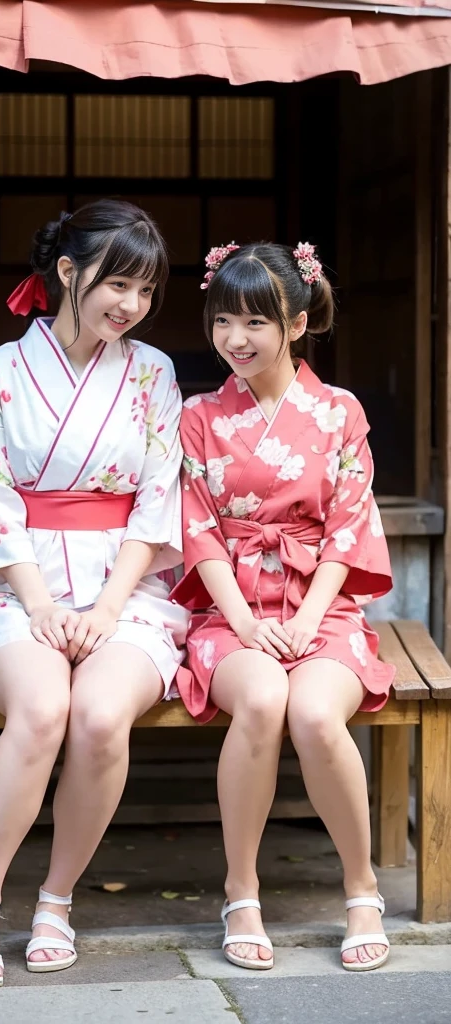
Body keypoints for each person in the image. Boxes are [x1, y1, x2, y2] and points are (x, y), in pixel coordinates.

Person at [0, 199, 188, 987]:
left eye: (146, 292)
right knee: (42, 710)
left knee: (101, 717)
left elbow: (156, 498)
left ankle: (56, 900)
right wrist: (40, 604)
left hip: (124, 586)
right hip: (19, 581)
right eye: (118, 285)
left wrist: (108, 608)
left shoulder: (153, 374)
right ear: (68, 272)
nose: (131, 306)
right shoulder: (3, 371)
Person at [173, 240, 394, 974]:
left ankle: (361, 888)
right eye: (223, 320)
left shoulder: (339, 412)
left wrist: (303, 621)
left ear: (297, 324)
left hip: (319, 605)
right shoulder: (199, 416)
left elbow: (349, 524)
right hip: (229, 609)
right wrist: (245, 622)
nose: (235, 339)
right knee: (264, 699)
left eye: (255, 323)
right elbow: (197, 527)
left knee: (314, 712)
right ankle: (241, 890)